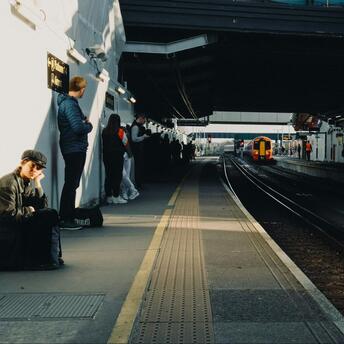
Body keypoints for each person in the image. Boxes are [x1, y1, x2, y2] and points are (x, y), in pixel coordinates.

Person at [0, 150, 62, 270]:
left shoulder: (26, 182)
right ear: (23, 163)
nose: (35, 170)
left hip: (17, 227)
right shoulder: (8, 183)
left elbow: (42, 207)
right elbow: (6, 216)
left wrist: (38, 183)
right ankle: (47, 258)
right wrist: (29, 210)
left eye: (39, 168)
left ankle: (51, 256)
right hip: (6, 233)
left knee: (50, 214)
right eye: (32, 165)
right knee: (48, 215)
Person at [57, 76, 93, 230]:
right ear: (82, 89)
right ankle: (66, 218)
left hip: (71, 147)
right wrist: (89, 125)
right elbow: (78, 129)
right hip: (74, 148)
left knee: (72, 183)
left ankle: (67, 216)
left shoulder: (67, 104)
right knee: (71, 184)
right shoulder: (70, 105)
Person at [102, 114, 131, 204]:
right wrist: (130, 154)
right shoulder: (120, 131)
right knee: (117, 176)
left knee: (108, 176)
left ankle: (108, 197)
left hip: (106, 156)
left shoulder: (104, 131)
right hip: (117, 156)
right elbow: (126, 144)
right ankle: (116, 196)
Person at [130, 114, 149, 189]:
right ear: (140, 118)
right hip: (136, 151)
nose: (144, 122)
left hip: (137, 151)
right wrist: (143, 137)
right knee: (137, 168)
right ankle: (137, 184)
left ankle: (138, 183)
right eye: (144, 120)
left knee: (138, 168)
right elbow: (134, 139)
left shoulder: (136, 126)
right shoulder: (135, 127)